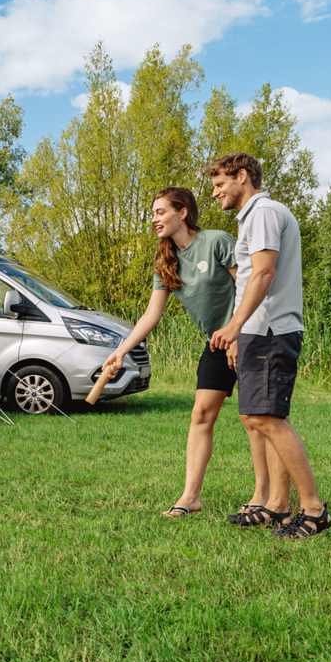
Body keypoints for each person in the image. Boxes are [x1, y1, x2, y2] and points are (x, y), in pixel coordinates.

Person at [97, 187, 256, 518]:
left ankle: (265, 497)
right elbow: (151, 315)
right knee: (201, 414)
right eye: (153, 214)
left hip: (250, 334)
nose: (154, 219)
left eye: (160, 212)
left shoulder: (216, 242)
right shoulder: (164, 261)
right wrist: (121, 350)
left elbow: (247, 288)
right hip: (216, 342)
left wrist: (238, 333)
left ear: (182, 212)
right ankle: (190, 497)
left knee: (255, 419)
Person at [206, 152, 331, 540]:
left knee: (266, 419)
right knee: (265, 415)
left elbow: (263, 272)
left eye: (220, 184)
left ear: (242, 176)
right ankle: (277, 506)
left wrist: (235, 325)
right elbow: (252, 276)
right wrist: (242, 334)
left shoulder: (262, 213)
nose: (215, 194)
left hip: (270, 329)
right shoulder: (260, 215)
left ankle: (314, 510)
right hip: (263, 330)